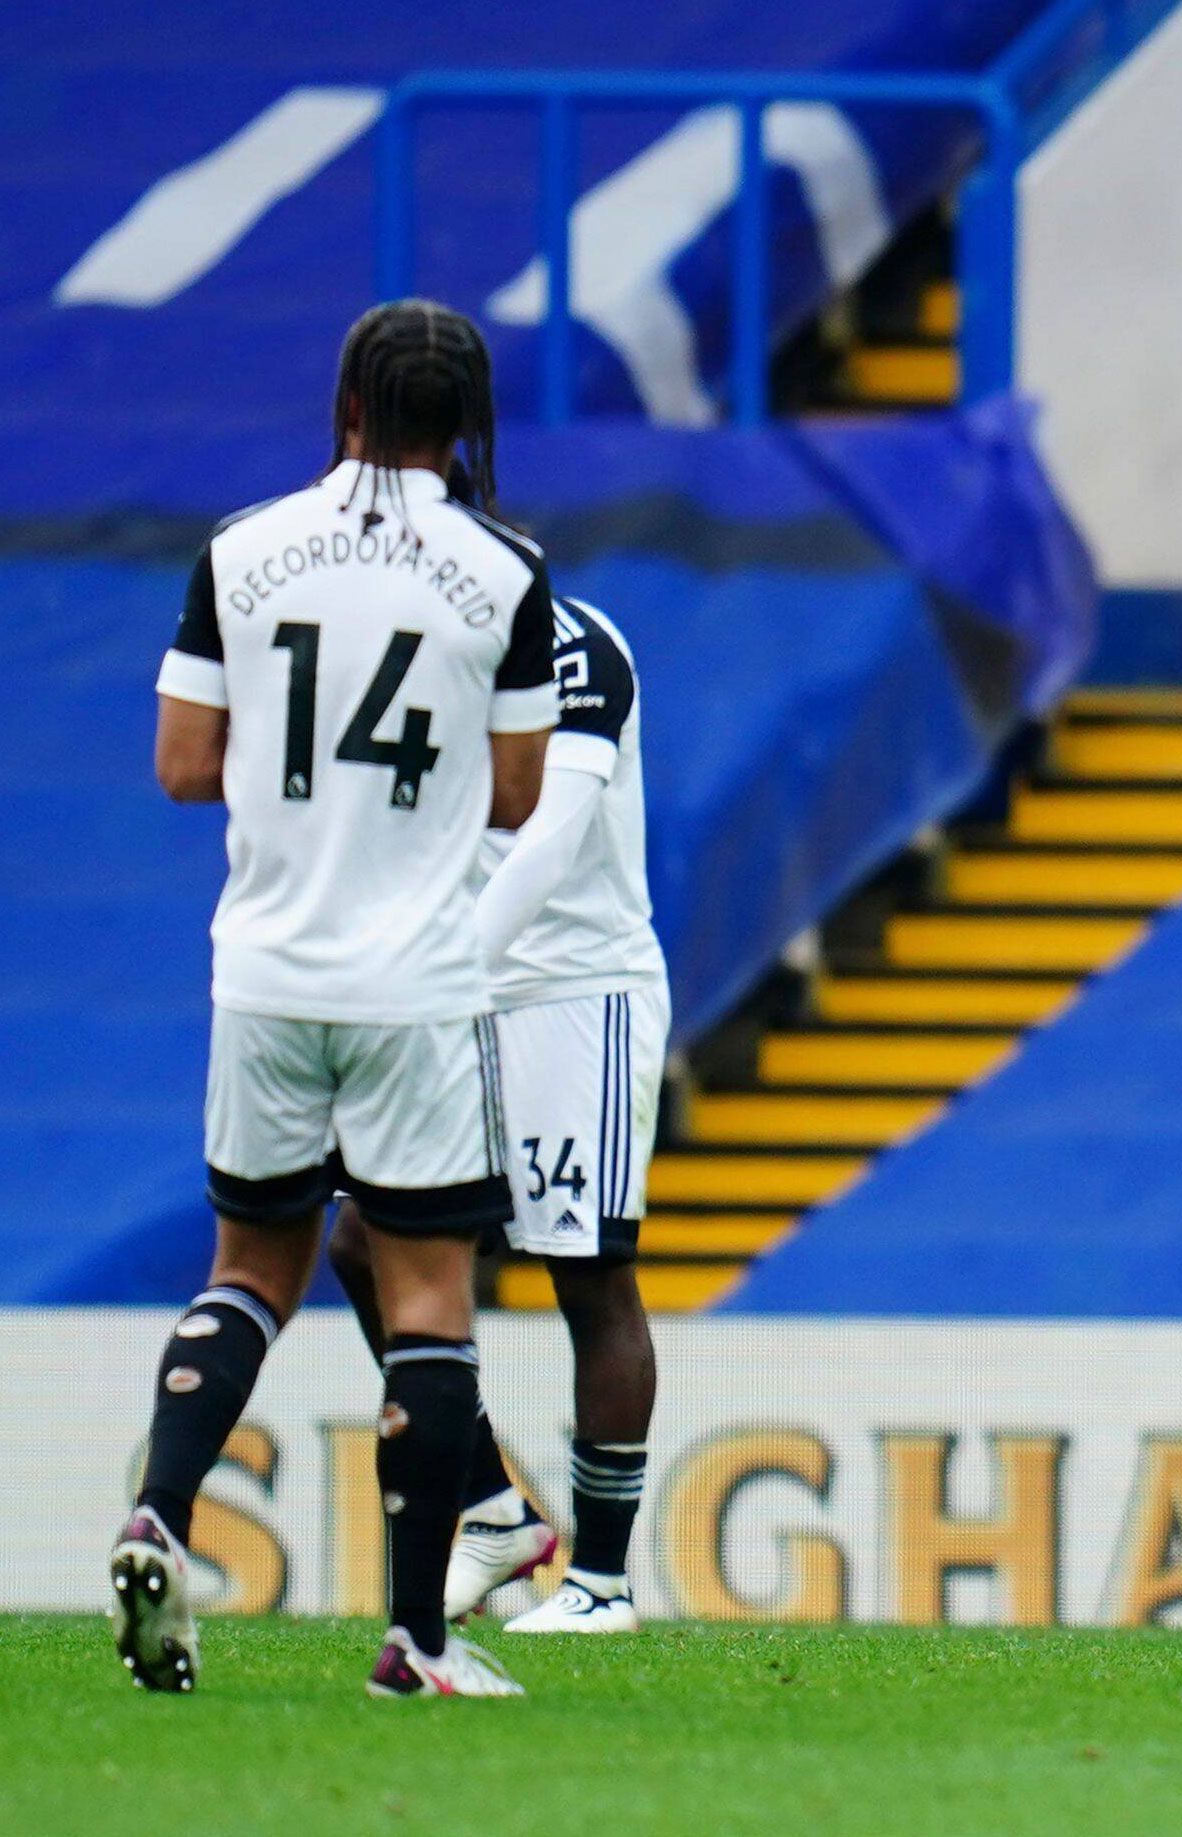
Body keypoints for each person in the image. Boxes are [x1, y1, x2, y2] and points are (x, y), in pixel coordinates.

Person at [117, 299, 556, 1697]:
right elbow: (519, 794)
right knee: (427, 1297)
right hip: (414, 983)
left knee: (247, 1272)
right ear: (467, 423)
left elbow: (184, 764)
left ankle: (158, 1514)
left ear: (348, 408)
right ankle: (419, 1643)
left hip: (264, 968)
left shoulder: (240, 551)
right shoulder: (505, 574)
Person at [327, 594, 664, 1635]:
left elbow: (553, 835)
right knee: (364, 1241)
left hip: (574, 989)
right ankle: (491, 1507)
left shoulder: (576, 645)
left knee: (587, 1275)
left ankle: (600, 1582)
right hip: (458, 988)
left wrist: (436, 972)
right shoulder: (406, 646)